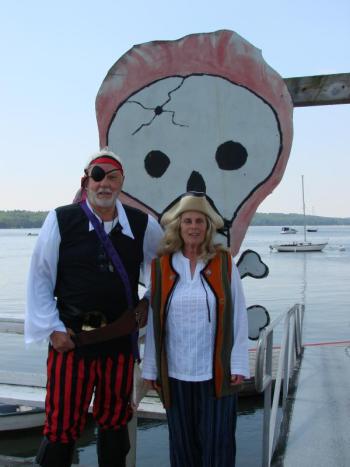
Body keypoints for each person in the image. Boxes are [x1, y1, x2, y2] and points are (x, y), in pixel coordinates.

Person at [25, 148, 163, 467]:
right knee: (61, 427)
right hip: (71, 343)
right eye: (98, 176)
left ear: (121, 182)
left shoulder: (142, 224)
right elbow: (40, 278)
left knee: (115, 422)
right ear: (86, 182)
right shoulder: (62, 219)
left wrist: (148, 299)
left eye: (112, 177)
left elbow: (166, 265)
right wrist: (53, 330)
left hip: (117, 345)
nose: (104, 184)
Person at [142, 192, 249, 467]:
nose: (193, 227)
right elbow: (155, 324)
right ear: (178, 226)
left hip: (215, 371)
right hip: (176, 373)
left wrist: (238, 363)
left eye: (199, 221)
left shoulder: (224, 264)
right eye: (188, 221)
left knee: (219, 445)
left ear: (207, 227)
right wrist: (152, 369)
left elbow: (238, 315)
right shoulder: (161, 267)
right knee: (182, 446)